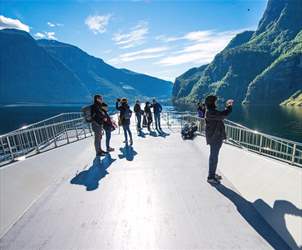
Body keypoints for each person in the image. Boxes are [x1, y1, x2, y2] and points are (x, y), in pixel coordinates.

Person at [205, 95, 233, 184]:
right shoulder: (210, 112)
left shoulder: (211, 111)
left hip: (215, 137)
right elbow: (223, 115)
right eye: (215, 101)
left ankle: (212, 174)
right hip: (214, 138)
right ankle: (211, 177)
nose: (216, 103)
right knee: (214, 157)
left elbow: (220, 116)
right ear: (212, 102)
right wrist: (229, 106)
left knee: (214, 156)